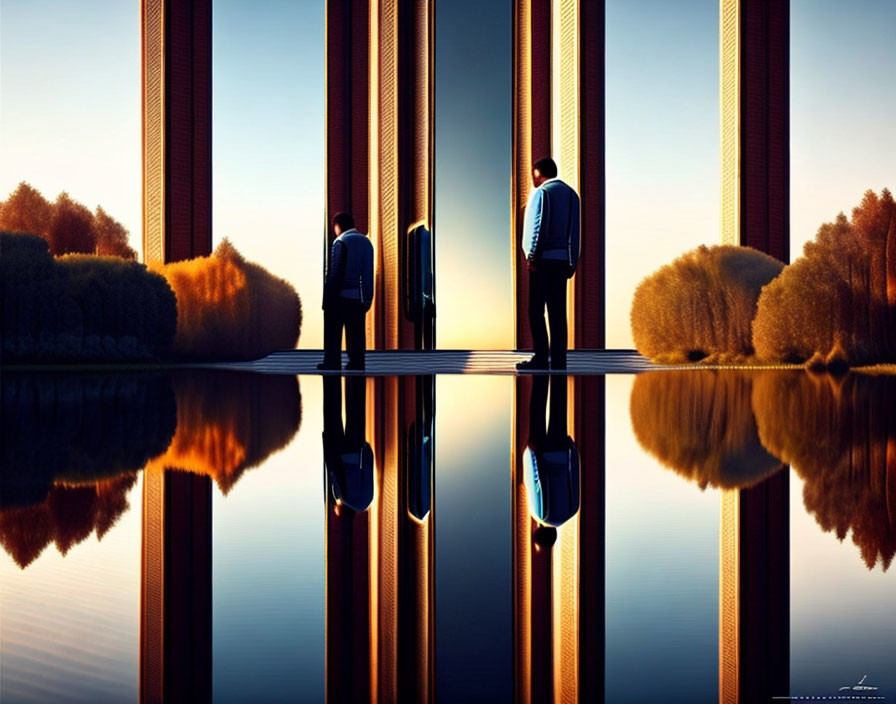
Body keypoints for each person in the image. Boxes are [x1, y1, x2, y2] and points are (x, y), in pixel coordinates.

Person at [516, 157, 580, 371]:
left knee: (536, 310)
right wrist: (573, 261)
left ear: (538, 172)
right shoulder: (572, 195)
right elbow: (575, 232)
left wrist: (532, 256)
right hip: (562, 262)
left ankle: (542, 357)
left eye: (533, 173)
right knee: (557, 311)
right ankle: (559, 359)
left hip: (542, 261)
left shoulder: (543, 193)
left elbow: (538, 226)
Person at [319, 212, 374, 371]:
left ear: (337, 226)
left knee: (333, 333)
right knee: (356, 334)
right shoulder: (366, 242)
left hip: (339, 297)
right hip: (357, 298)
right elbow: (368, 273)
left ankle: (332, 362)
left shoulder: (340, 241)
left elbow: (335, 272)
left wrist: (328, 298)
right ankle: (356, 362)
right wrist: (368, 298)